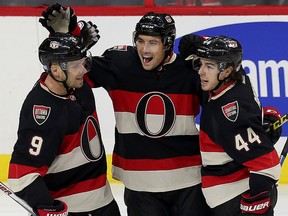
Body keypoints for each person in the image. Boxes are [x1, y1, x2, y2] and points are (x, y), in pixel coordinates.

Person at [39, 4, 211, 216]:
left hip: (189, 181)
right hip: (140, 186)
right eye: (140, 41)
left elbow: (227, 87)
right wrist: (66, 36)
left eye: (152, 43)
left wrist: (206, 50)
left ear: (167, 44)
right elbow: (71, 74)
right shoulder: (120, 64)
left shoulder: (190, 68)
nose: (144, 50)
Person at [8, 33, 121, 216]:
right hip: (72, 210)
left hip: (104, 202)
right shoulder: (42, 110)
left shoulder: (78, 85)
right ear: (55, 70)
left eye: (83, 62)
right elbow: (22, 175)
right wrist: (45, 205)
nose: (83, 70)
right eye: (76, 66)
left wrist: (72, 32)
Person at [184, 35, 281, 216]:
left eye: (209, 66)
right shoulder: (239, 78)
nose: (200, 72)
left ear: (227, 71)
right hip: (232, 195)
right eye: (201, 64)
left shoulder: (227, 113)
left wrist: (255, 207)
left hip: (236, 201)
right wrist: (262, 119)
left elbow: (268, 167)